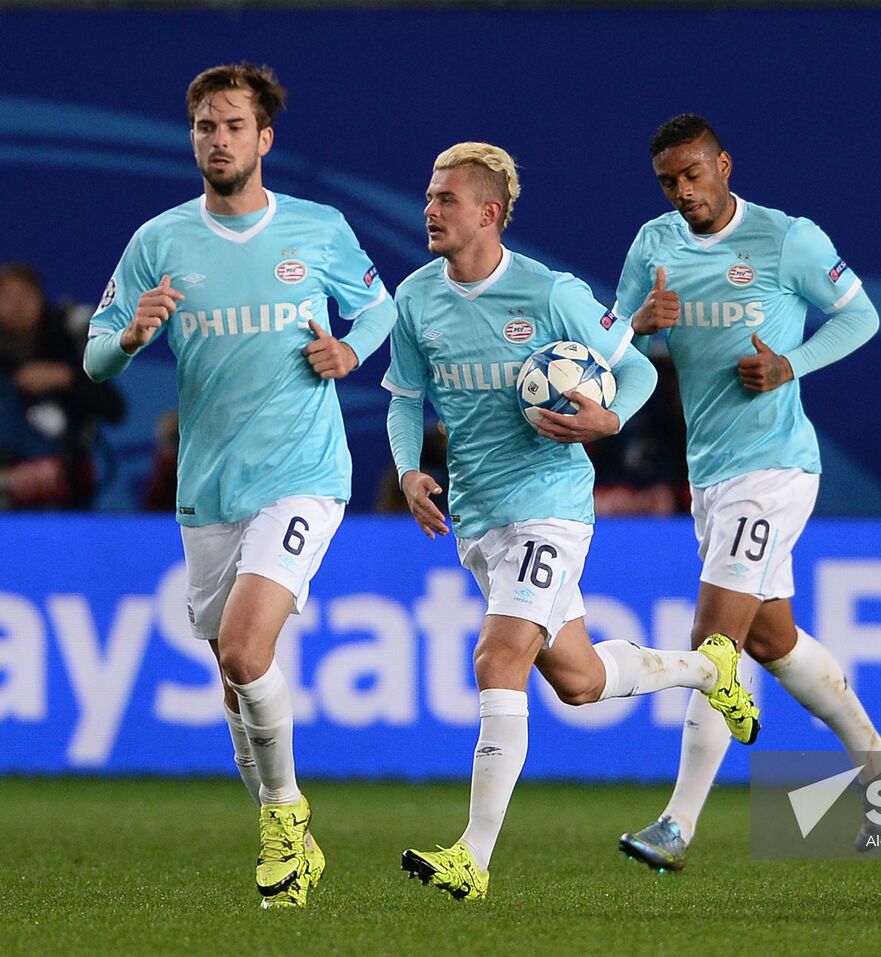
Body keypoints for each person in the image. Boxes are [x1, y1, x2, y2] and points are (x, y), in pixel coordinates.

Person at [386, 142, 758, 903]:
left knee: (497, 658)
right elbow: (402, 397)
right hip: (478, 517)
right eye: (428, 196)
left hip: (550, 508)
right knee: (580, 682)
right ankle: (709, 667)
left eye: (444, 199)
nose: (429, 209)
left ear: (488, 214)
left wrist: (606, 417)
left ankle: (472, 856)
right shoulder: (416, 299)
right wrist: (407, 470)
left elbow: (640, 367)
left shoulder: (550, 292)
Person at [83, 63, 397, 909]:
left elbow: (381, 307)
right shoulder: (160, 240)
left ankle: (284, 815)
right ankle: (287, 835)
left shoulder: (318, 228)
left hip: (303, 475)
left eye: (231, 125)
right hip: (210, 484)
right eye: (204, 127)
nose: (216, 140)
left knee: (251, 647)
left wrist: (350, 352)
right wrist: (133, 335)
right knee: (232, 669)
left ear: (264, 138)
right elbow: (95, 351)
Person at [612, 113, 881, 872]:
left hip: (775, 467)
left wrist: (792, 365)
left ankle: (676, 825)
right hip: (709, 471)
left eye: (693, 174)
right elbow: (617, 353)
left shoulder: (787, 238)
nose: (684, 192)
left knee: (716, 640)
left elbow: (862, 316)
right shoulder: (654, 246)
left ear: (724, 164)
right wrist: (642, 327)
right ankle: (880, 761)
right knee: (770, 638)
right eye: (668, 182)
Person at [0, 262, 123, 508]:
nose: (17, 305)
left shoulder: (67, 345)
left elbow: (115, 409)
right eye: (6, 296)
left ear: (41, 298)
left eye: (25, 295)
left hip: (67, 494)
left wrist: (66, 378)